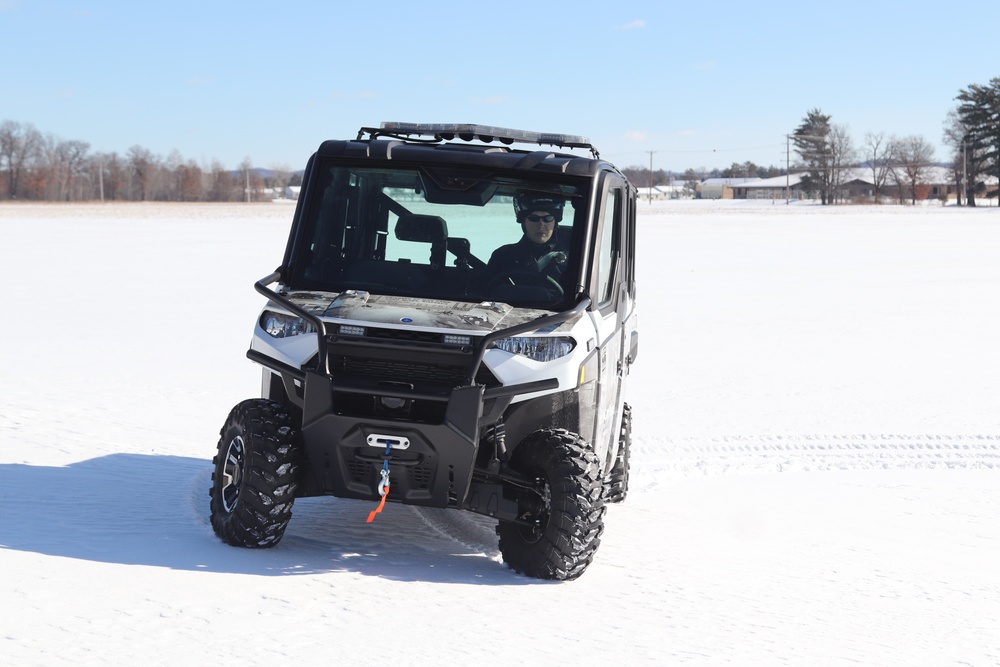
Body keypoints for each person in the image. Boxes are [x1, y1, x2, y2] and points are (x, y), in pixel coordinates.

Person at [486, 192, 570, 286]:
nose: (541, 224)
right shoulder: (503, 257)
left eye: (548, 218)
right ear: (524, 222)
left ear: (555, 222)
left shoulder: (575, 258)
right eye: (534, 218)